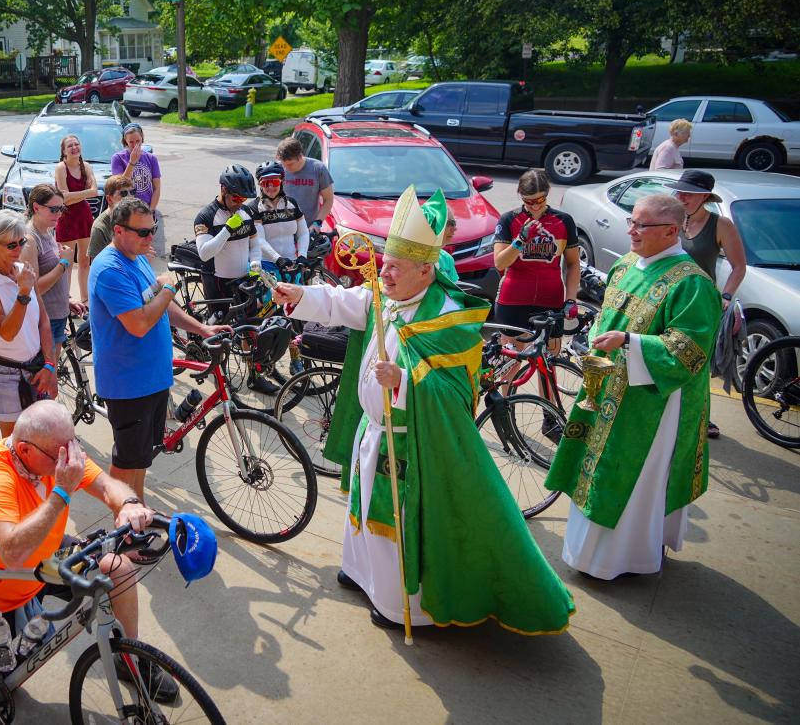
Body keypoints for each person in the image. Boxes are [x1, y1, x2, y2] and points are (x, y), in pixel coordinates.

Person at [272, 187, 574, 634]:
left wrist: (407, 384)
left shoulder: (446, 318)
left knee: (393, 516)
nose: (382, 274)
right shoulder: (392, 294)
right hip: (373, 432)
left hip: (411, 442)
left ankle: (396, 603)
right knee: (363, 505)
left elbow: (455, 393)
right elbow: (348, 303)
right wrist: (300, 294)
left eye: (393, 267)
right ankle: (361, 574)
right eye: (384, 264)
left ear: (426, 270)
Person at [546, 194, 722, 580]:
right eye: (632, 222)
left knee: (629, 475)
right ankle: (586, 552)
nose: (631, 230)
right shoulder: (627, 265)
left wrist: (629, 342)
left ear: (671, 231)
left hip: (651, 402)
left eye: (641, 225)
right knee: (593, 466)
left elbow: (689, 350)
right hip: (606, 386)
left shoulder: (692, 283)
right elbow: (610, 312)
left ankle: (622, 559)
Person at [0, 400, 177, 701]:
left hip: (47, 561)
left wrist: (128, 505)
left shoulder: (56, 451)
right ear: (25, 450)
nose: (73, 459)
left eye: (74, 445)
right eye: (62, 453)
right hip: (3, 585)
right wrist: (61, 492)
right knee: (0, 682)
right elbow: (12, 553)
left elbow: (105, 485)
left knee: (119, 568)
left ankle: (130, 658)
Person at [89, 198, 229, 500]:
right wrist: (168, 288)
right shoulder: (110, 270)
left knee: (140, 461)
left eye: (152, 230)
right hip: (129, 385)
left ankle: (136, 515)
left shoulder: (136, 255)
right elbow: (139, 323)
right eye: (143, 233)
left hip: (152, 378)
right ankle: (125, 529)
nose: (150, 238)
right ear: (117, 231)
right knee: (126, 464)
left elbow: (162, 307)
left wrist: (200, 328)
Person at [673, 170, 747, 439]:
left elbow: (739, 267)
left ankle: (700, 416)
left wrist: (726, 297)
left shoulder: (721, 225)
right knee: (665, 360)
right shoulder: (671, 216)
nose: (681, 197)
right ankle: (668, 413)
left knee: (696, 364)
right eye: (679, 191)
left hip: (700, 305)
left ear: (704, 196)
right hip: (667, 301)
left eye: (688, 193)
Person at [0, 211, 59, 436]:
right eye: (12, 245)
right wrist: (23, 292)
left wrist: (50, 364)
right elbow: (7, 332)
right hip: (5, 375)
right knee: (15, 444)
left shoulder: (23, 271)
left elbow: (43, 320)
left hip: (36, 367)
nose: (19, 250)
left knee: (42, 439)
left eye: (21, 242)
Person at [492, 169, 580, 387]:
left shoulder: (563, 221)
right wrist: (520, 240)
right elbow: (500, 263)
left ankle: (549, 418)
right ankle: (503, 411)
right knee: (510, 362)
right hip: (514, 298)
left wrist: (571, 299)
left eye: (540, 199)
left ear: (547, 193)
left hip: (550, 299)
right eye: (528, 201)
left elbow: (573, 263)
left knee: (549, 362)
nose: (535, 206)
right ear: (520, 196)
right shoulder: (509, 219)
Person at [22, 184, 77, 364]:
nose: (59, 214)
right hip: (45, 319)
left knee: (51, 377)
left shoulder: (48, 230)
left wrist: (66, 300)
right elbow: (33, 287)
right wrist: (64, 263)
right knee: (45, 382)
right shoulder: (30, 239)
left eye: (62, 208)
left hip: (58, 313)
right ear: (36, 207)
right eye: (54, 209)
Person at [193, 164, 262, 303]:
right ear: (224, 189)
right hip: (217, 281)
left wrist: (255, 264)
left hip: (243, 280)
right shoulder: (206, 216)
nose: (239, 203)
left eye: (243, 200)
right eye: (236, 198)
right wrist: (227, 230)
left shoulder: (246, 212)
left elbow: (255, 245)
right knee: (220, 324)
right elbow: (204, 254)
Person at [54, 134, 98, 304]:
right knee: (67, 263)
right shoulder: (60, 168)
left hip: (84, 217)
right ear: (64, 151)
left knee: (85, 260)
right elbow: (64, 198)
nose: (74, 148)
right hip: (66, 218)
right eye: (70, 146)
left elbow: (94, 191)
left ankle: (85, 300)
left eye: (76, 144)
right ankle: (67, 301)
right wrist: (84, 194)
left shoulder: (86, 166)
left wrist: (72, 196)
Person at [243, 161, 309, 273]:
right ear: (259, 184)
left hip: (292, 263)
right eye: (265, 183)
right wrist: (277, 259)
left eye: (274, 182)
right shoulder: (254, 207)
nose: (270, 187)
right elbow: (259, 239)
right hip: (266, 265)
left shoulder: (292, 204)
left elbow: (303, 232)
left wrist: (302, 255)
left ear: (281, 182)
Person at [275, 137, 334, 231]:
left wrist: (317, 223)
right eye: (283, 164)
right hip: (282, 228)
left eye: (290, 164)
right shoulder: (277, 169)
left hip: (308, 228)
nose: (286, 167)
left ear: (300, 156)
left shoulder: (318, 169)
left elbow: (328, 199)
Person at [110, 123, 161, 214]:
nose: (135, 145)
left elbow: (156, 188)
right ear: (125, 141)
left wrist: (151, 210)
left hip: (146, 208)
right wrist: (132, 162)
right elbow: (121, 185)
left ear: (142, 138)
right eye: (131, 142)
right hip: (126, 209)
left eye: (138, 141)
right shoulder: (117, 158)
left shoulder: (151, 158)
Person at [87, 175, 134, 260]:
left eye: (132, 192)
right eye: (123, 193)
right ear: (109, 199)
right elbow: (97, 266)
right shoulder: (100, 227)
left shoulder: (133, 218)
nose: (130, 197)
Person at [437, 217, 458, 283]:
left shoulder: (447, 258)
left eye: (454, 223)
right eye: (449, 223)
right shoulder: (410, 261)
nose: (455, 229)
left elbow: (453, 288)